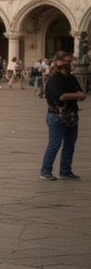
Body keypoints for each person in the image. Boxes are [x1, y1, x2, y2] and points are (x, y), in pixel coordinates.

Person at [41, 52, 84, 180]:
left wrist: (77, 95)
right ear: (59, 63)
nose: (71, 63)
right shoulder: (54, 78)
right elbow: (62, 96)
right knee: (54, 144)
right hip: (56, 115)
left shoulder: (72, 78)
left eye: (71, 60)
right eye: (67, 60)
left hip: (71, 115)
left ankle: (65, 171)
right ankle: (45, 171)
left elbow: (81, 92)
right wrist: (76, 95)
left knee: (70, 144)